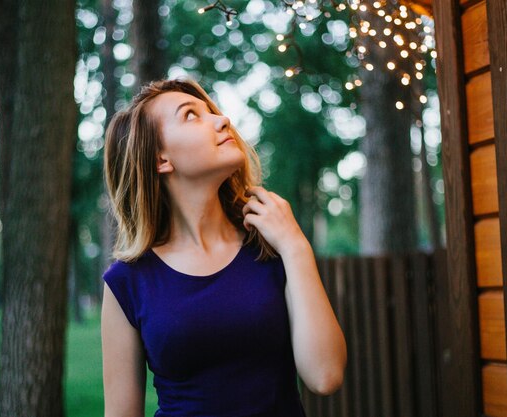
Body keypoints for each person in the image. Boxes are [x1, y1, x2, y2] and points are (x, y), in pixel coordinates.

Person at [101, 78, 347, 417]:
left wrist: (295, 246)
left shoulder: (271, 244)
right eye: (191, 115)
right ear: (161, 159)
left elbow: (325, 375)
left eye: (212, 112)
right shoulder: (127, 281)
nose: (222, 120)